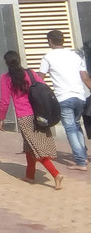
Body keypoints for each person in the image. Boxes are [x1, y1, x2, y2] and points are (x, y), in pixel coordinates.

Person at [0, 50, 63, 189]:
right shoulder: (30, 73)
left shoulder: (6, 78)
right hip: (38, 113)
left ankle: (56, 174)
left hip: (24, 117)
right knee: (29, 146)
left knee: (36, 147)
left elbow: (4, 101)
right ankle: (30, 175)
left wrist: (1, 118)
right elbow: (44, 87)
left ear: (6, 63)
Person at [39, 29, 91, 171]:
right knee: (77, 125)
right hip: (80, 97)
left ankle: (80, 161)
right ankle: (83, 156)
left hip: (63, 97)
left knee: (70, 129)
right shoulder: (76, 56)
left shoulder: (48, 57)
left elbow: (40, 79)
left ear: (50, 41)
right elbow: (85, 78)